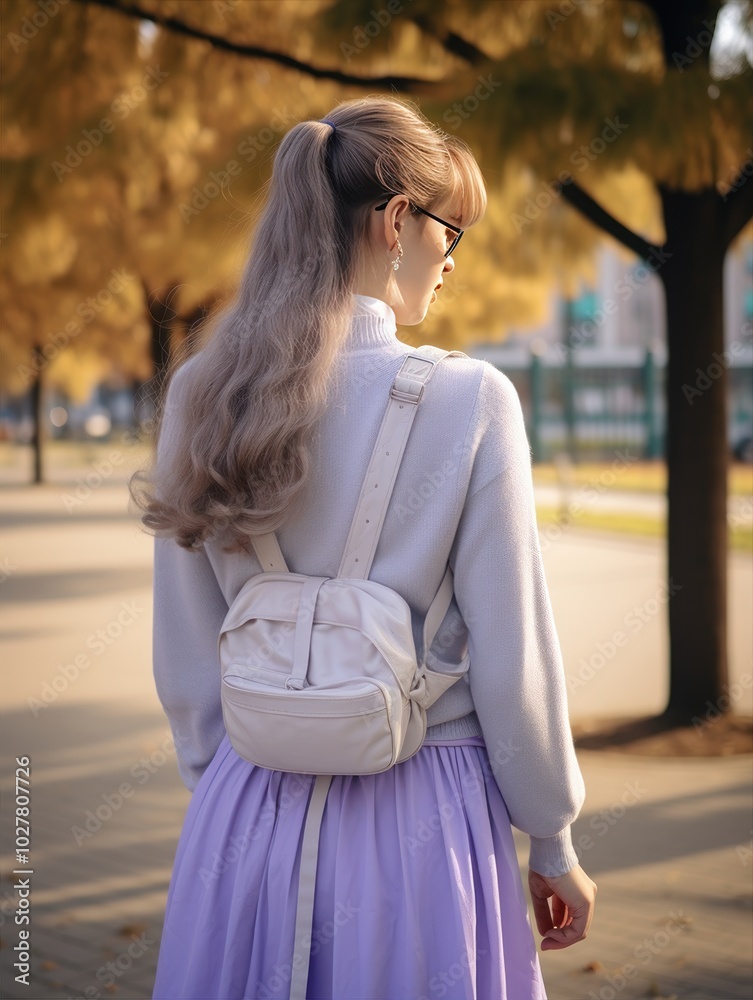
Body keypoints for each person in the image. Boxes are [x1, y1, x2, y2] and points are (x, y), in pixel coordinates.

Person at [130, 94, 596, 1000]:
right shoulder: (472, 401)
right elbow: (513, 663)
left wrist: (233, 788)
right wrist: (552, 836)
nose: (452, 260)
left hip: (244, 809)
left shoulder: (202, 394)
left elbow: (188, 661)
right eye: (448, 230)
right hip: (421, 815)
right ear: (394, 222)